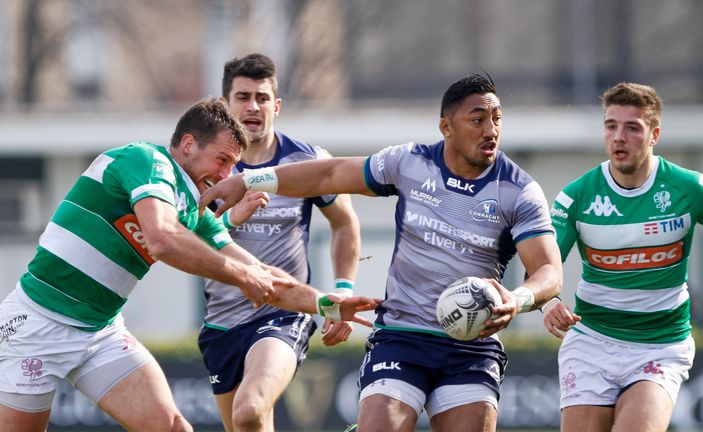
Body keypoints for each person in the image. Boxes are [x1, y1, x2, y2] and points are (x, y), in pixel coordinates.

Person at [200, 73, 563, 432]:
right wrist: (248, 179)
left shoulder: (518, 190)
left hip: (471, 347)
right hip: (402, 338)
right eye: (478, 119)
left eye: (497, 119)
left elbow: (548, 270)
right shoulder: (410, 163)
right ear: (446, 127)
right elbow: (330, 174)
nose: (491, 130)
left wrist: (516, 300)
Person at [0, 98, 379, 432]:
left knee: (174, 428)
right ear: (187, 145)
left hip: (99, 334)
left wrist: (324, 303)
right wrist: (241, 275)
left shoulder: (195, 212)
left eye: (234, 165)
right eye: (223, 160)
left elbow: (264, 276)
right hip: (36, 325)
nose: (226, 175)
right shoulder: (145, 160)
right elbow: (163, 240)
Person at [541, 82, 703, 432]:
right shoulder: (576, 196)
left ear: (654, 135)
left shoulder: (692, 189)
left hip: (660, 346)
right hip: (591, 342)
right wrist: (548, 301)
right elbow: (546, 263)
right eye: (611, 126)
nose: (619, 137)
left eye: (632, 127)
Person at [197, 53, 361, 432]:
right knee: (247, 425)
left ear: (277, 105)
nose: (253, 107)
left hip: (283, 313)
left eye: (262, 97)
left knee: (250, 410)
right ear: (224, 105)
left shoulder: (305, 160)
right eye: (242, 97)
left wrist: (342, 289)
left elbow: (344, 223)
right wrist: (229, 219)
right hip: (222, 323)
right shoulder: (206, 168)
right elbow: (184, 239)